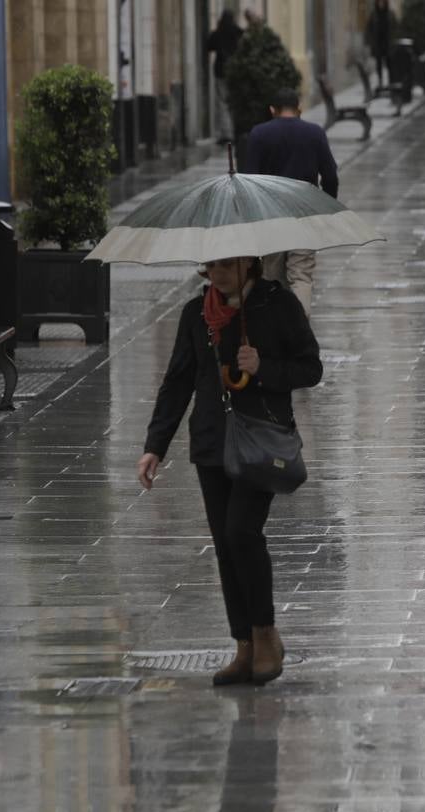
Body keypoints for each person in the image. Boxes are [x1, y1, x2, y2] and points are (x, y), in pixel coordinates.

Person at [137, 257, 322, 687]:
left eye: (225, 266)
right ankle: (242, 646)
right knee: (224, 544)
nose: (215, 275)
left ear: (248, 264)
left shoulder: (279, 306)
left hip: (259, 442)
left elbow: (310, 368)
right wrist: (154, 447)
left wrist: (263, 369)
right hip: (211, 444)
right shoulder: (196, 313)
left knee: (242, 532)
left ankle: (265, 634)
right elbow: (178, 382)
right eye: (211, 267)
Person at [241, 88, 339, 315]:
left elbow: (249, 178)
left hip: (270, 212)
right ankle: (300, 329)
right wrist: (327, 207)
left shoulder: (259, 134)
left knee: (272, 276)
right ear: (299, 109)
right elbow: (330, 175)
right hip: (305, 210)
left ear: (272, 110)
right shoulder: (314, 133)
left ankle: (276, 330)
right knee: (301, 275)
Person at [206, 10, 243, 145]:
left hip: (221, 72)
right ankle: (235, 131)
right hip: (236, 72)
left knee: (222, 103)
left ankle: (227, 134)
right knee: (234, 102)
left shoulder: (218, 33)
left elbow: (209, 45)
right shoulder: (238, 32)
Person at [365, 0, 396, 87]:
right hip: (378, 44)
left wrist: (393, 40)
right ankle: (380, 81)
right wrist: (370, 42)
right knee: (378, 65)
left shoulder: (390, 14)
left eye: (383, 2)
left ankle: (391, 82)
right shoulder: (374, 15)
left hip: (388, 43)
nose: (381, 4)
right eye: (379, 2)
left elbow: (395, 27)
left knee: (389, 64)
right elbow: (368, 29)